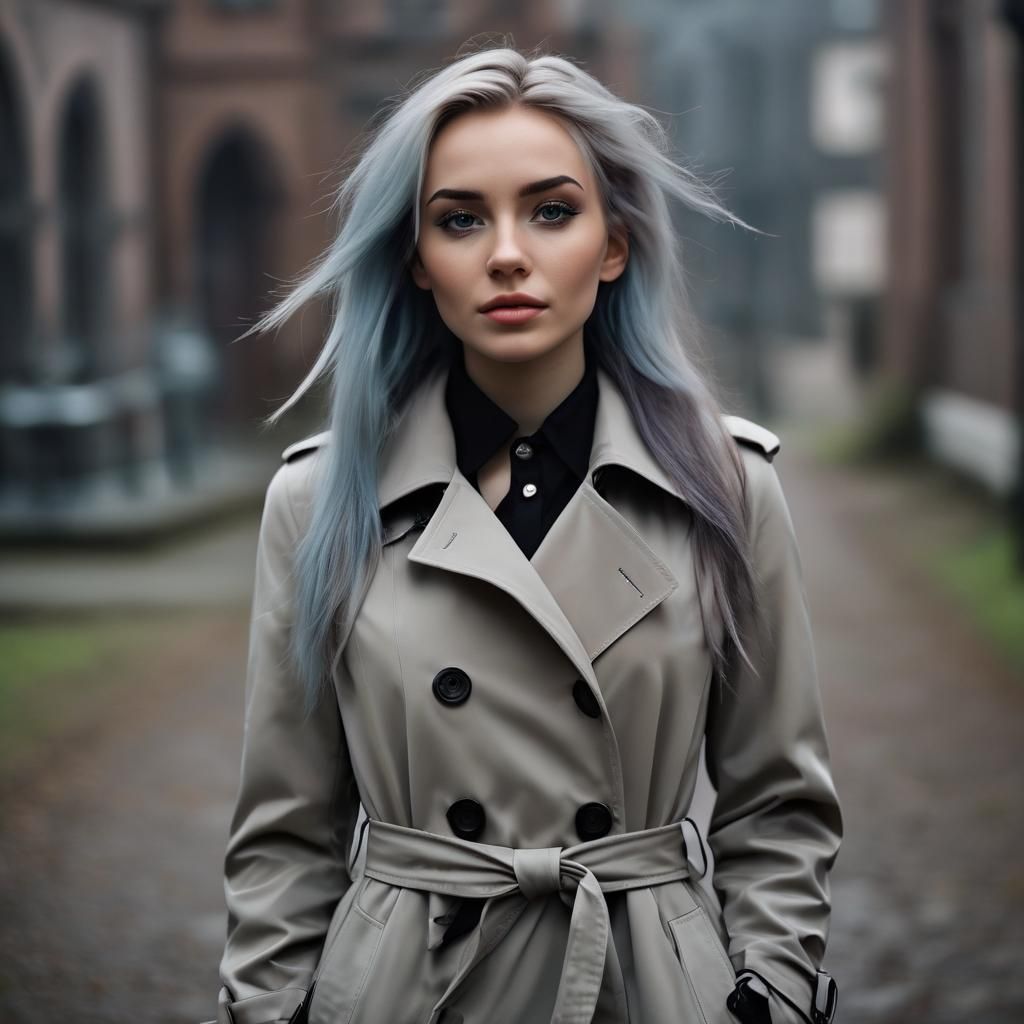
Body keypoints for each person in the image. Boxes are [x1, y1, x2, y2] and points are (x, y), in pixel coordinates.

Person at [205, 40, 842, 1024]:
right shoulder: (321, 501)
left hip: (648, 983)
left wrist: (770, 995)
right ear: (417, 260)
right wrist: (267, 1010)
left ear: (614, 243)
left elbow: (776, 805)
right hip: (407, 988)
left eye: (551, 211)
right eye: (460, 219)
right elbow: (285, 832)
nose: (507, 252)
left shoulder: (725, 487)